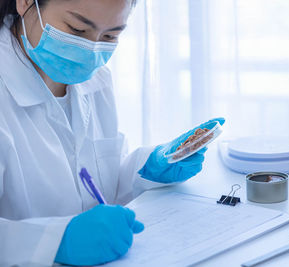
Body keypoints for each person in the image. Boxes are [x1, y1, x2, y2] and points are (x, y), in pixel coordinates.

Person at [0, 0, 225, 266]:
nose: (92, 51)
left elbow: (99, 184)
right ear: (26, 2)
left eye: (110, 36)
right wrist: (53, 241)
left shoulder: (95, 80)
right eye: (77, 30)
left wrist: (147, 168)